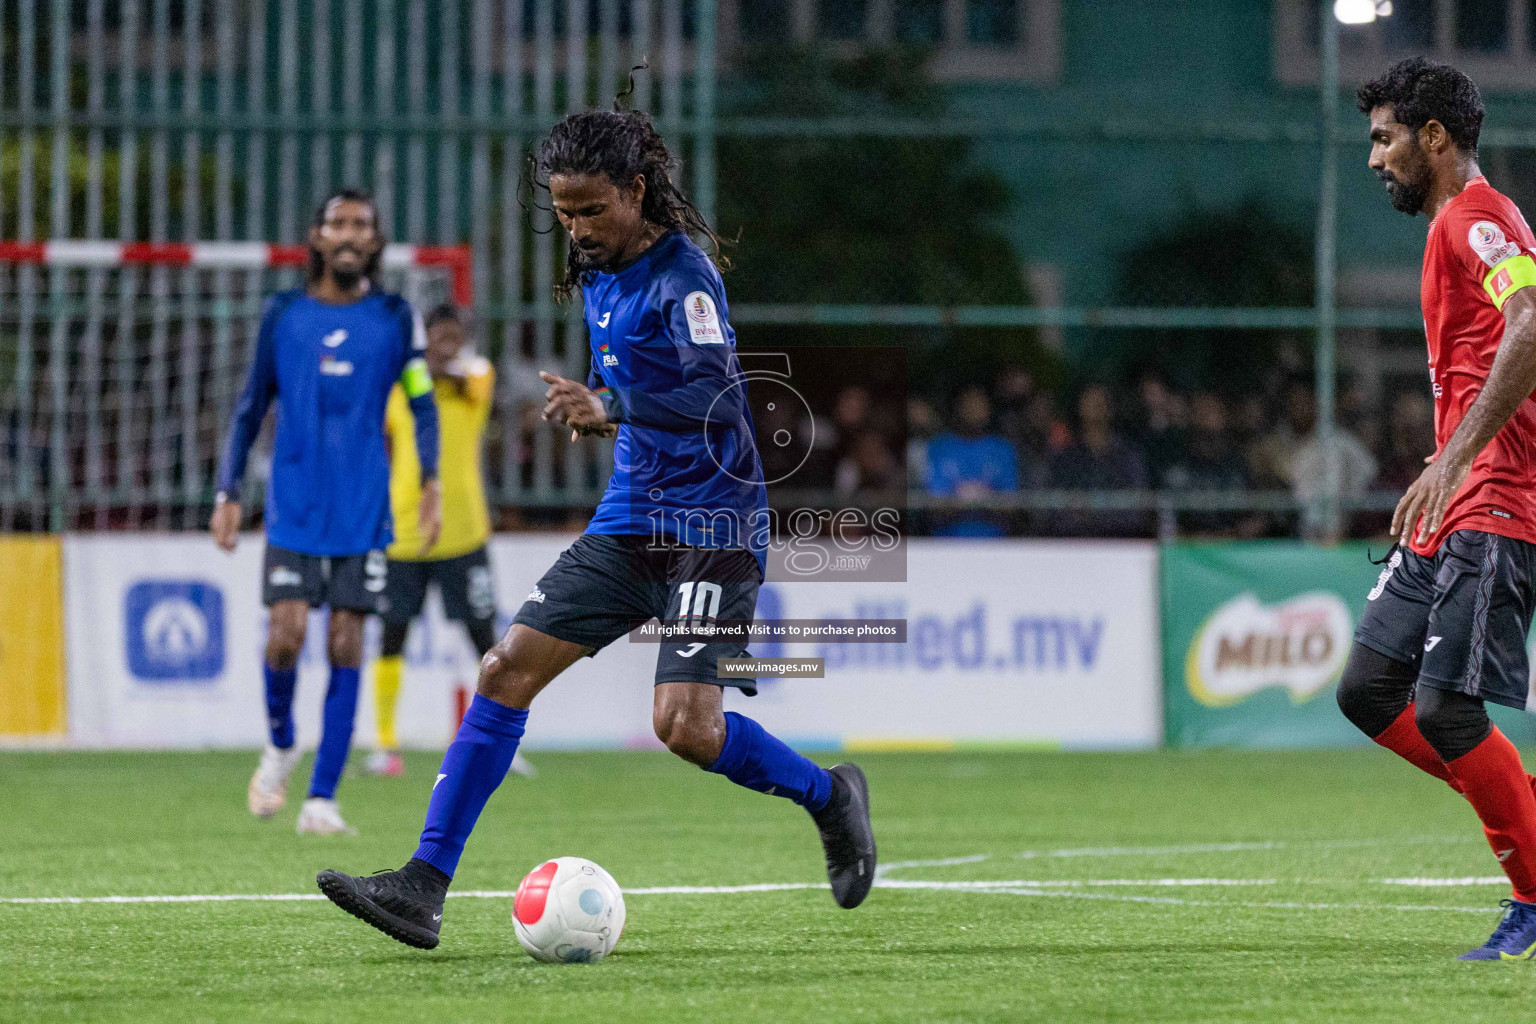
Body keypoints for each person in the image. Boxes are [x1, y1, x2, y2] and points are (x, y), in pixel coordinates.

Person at [316, 109, 876, 949]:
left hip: (711, 524)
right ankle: (421, 886)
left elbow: (718, 401)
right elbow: (619, 367)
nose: (574, 229)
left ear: (636, 191)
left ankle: (831, 797)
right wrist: (594, 401)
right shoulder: (599, 267)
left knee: (686, 728)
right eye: (563, 211)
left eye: (589, 210)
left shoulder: (681, 277)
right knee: (504, 667)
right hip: (631, 518)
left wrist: (610, 406)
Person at [1336, 58, 1536, 961]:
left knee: (1450, 710)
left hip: (1494, 499)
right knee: (1369, 691)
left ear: (1435, 138)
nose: (1374, 156)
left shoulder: (1481, 218)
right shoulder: (1450, 226)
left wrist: (1453, 458)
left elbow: (1533, 323)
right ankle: (1522, 806)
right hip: (1452, 505)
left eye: (1384, 138)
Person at [213, 188, 441, 836]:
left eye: (361, 225)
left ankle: (321, 798)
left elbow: (422, 402)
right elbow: (250, 406)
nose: (349, 234)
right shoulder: (282, 313)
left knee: (346, 642)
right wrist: (228, 492)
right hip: (293, 510)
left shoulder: (397, 318)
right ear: (315, 237)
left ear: (375, 240)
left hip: (364, 513)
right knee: (284, 637)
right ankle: (281, 741)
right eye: (337, 223)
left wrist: (431, 481)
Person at [369, 304, 533, 780]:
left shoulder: (475, 378)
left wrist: (425, 362)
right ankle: (384, 745)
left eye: (452, 338)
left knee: (487, 641)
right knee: (392, 636)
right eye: (437, 338)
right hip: (404, 532)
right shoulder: (401, 390)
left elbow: (467, 376)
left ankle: (505, 744)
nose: (446, 346)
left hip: (464, 531)